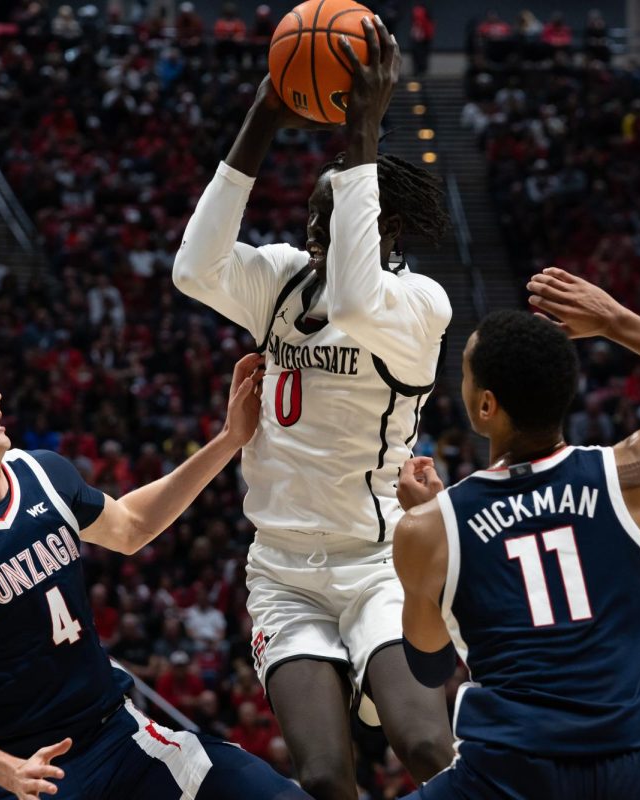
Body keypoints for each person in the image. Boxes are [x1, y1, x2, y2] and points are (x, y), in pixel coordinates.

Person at [172, 15, 454, 800]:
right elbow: (195, 269)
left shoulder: (417, 304)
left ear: (378, 226)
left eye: (326, 227)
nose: (310, 238)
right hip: (284, 571)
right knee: (325, 778)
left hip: (378, 563)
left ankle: (377, 691)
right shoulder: (286, 281)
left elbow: (360, 300)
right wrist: (263, 114)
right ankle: (355, 701)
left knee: (427, 742)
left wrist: (365, 126)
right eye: (310, 225)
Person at [0, 320, 308, 800]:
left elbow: (132, 527)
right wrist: (9, 770)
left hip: (117, 735)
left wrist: (228, 439)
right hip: (20, 774)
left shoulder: (44, 473)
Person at [392, 268, 640, 800]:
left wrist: (433, 521)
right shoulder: (636, 471)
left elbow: (429, 662)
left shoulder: (430, 526)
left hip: (509, 776)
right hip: (635, 771)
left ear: (485, 405)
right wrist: (616, 321)